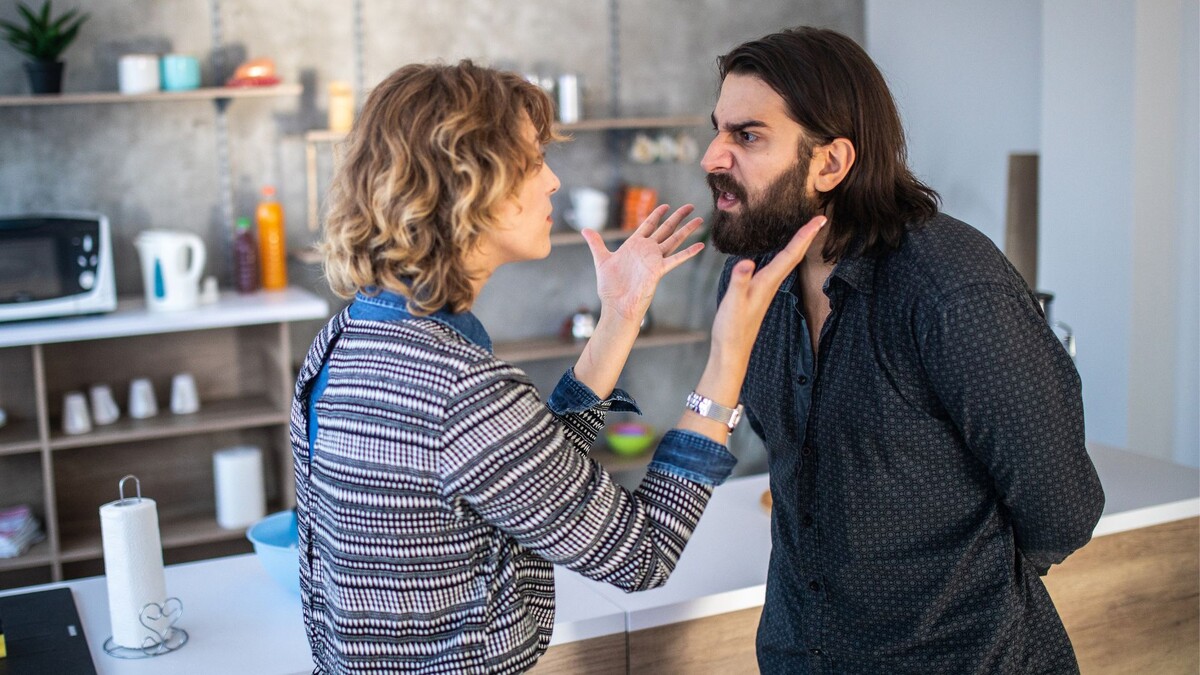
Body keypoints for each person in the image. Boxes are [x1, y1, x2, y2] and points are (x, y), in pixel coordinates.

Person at [290, 60, 826, 674]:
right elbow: (641, 554)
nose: (551, 182)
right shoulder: (459, 391)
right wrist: (729, 355)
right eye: (530, 161)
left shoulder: (347, 336)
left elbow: (517, 475)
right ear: (467, 183)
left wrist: (620, 315)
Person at [702, 27, 1105, 674]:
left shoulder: (951, 287)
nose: (712, 156)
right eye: (718, 129)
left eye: (747, 136)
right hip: (797, 653)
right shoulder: (744, 285)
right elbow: (788, 454)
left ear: (831, 163)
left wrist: (949, 586)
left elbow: (1062, 508)